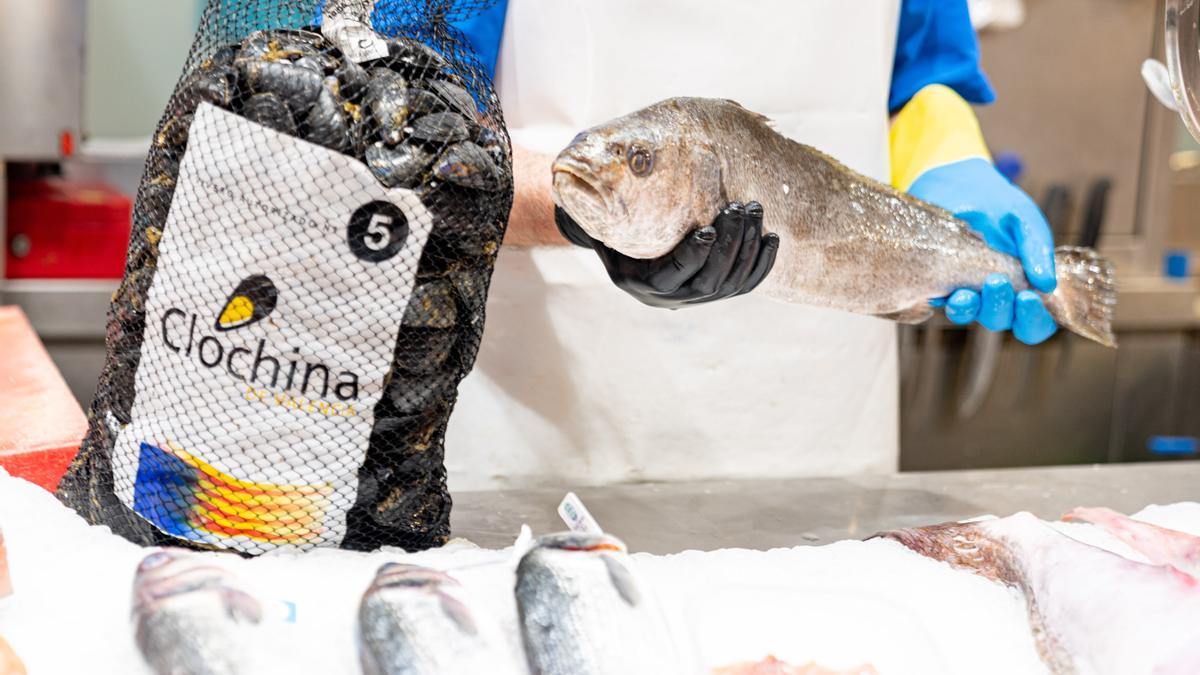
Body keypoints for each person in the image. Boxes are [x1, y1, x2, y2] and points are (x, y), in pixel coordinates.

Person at [370, 0, 1059, 490]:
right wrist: (574, 215)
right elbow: (408, 124)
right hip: (551, 429)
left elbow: (922, 75)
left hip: (822, 428)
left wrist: (950, 157)